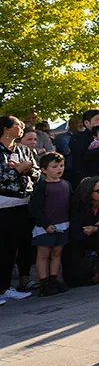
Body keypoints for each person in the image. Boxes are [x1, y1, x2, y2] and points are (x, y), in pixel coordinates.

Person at [0, 116, 37, 302]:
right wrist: (17, 170)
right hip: (4, 204)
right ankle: (2, 288)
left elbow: (36, 171)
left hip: (24, 202)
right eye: (18, 125)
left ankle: (23, 281)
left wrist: (27, 168)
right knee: (5, 247)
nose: (22, 127)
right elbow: (2, 177)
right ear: (7, 129)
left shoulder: (23, 149)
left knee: (23, 245)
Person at [63, 176, 99, 286]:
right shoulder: (78, 206)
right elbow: (77, 233)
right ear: (89, 193)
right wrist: (97, 224)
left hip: (98, 236)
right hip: (81, 242)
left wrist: (95, 228)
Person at [29, 152, 72, 296]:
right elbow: (36, 208)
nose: (59, 169)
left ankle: (54, 279)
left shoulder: (66, 184)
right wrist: (45, 224)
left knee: (57, 253)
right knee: (43, 254)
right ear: (44, 170)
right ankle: (44, 282)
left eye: (61, 166)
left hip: (63, 225)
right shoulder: (42, 187)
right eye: (54, 167)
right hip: (45, 227)